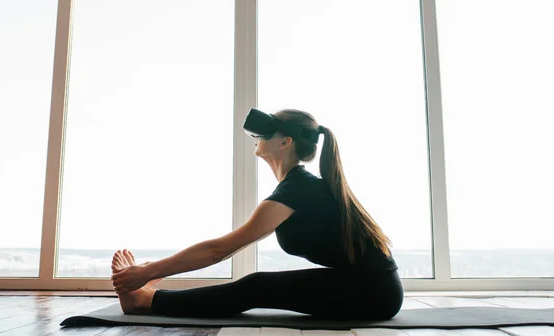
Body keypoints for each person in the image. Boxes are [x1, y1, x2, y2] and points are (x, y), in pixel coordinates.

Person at [110, 108, 403, 319]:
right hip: (367, 285)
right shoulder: (298, 187)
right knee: (259, 284)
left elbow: (218, 250)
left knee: (258, 286)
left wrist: (148, 272)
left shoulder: (298, 189)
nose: (256, 137)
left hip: (373, 294)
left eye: (264, 133)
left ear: (285, 142)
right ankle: (147, 294)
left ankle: (145, 300)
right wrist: (152, 270)